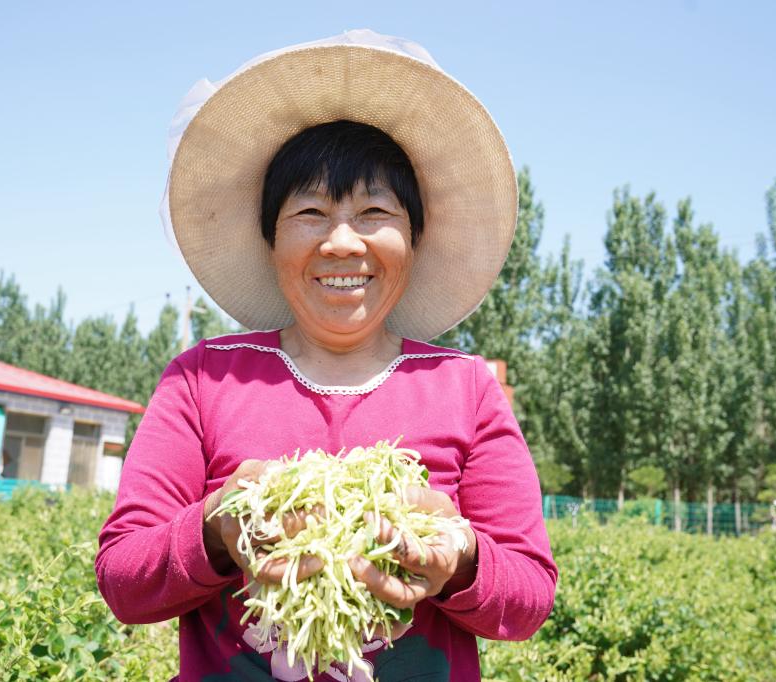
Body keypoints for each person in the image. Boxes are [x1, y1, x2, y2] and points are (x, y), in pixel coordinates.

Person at [96, 30, 557, 681]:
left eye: (374, 211)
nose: (342, 242)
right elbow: (124, 578)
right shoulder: (204, 380)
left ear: (414, 237)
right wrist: (220, 528)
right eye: (309, 212)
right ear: (271, 239)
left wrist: (457, 556)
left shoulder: (464, 387)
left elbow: (528, 596)